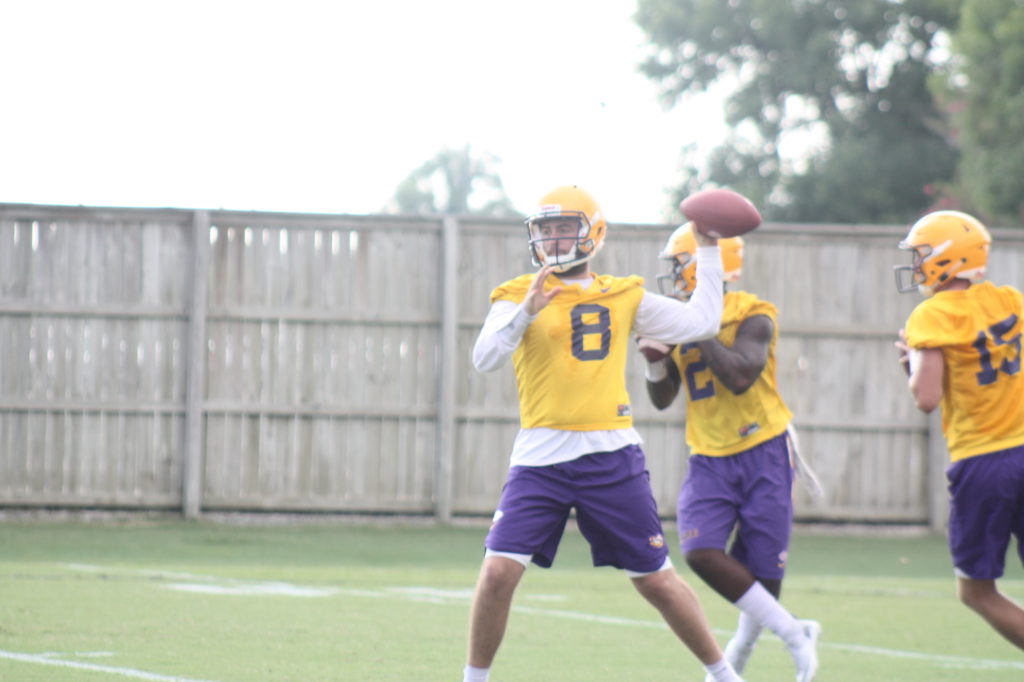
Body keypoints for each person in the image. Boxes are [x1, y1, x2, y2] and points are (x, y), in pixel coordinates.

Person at [464, 185, 743, 682]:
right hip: (540, 457)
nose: (552, 239)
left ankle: (725, 675)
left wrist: (707, 246)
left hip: (610, 455)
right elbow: (484, 359)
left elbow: (702, 322)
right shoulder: (514, 294)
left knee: (656, 580)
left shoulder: (624, 293)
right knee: (497, 572)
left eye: (563, 228)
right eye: (546, 230)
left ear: (592, 234)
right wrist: (527, 310)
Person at [637, 223, 821, 682]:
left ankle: (740, 649)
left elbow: (741, 376)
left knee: (765, 572)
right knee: (700, 551)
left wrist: (696, 328)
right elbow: (662, 399)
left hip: (764, 449)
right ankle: (795, 634)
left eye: (679, 264)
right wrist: (654, 363)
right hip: (708, 455)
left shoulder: (752, 313)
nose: (674, 276)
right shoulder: (674, 316)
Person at [894, 210, 1024, 650]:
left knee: (976, 591)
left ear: (948, 258)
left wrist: (912, 362)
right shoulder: (1011, 300)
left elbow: (926, 397)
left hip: (985, 459)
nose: (916, 264)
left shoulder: (931, 315)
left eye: (923, 254)